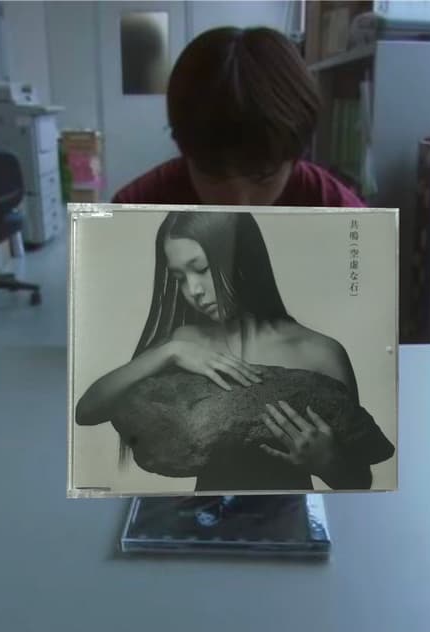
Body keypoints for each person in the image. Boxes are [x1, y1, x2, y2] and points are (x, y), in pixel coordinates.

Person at [75, 211, 375, 491]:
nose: (193, 290)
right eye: (180, 278)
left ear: (243, 257)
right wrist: (170, 352)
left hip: (289, 514)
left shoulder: (320, 353)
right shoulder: (186, 343)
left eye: (201, 269)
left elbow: (361, 480)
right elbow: (86, 411)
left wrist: (328, 462)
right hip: (205, 517)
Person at [112, 26, 363, 207]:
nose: (237, 204)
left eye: (263, 178)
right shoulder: (134, 212)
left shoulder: (342, 216)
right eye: (213, 177)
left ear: (295, 157)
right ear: (185, 151)